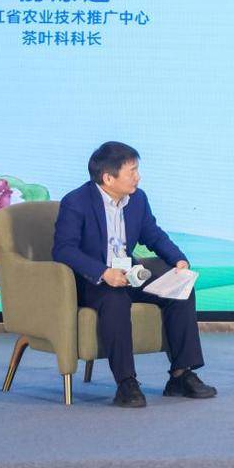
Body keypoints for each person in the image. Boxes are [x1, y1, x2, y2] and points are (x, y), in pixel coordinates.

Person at [51, 142, 216, 408]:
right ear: (108, 178)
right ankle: (126, 382)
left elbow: (153, 234)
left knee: (181, 288)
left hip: (130, 273)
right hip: (93, 280)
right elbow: (63, 249)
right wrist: (103, 272)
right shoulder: (77, 202)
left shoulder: (137, 199)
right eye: (132, 171)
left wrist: (178, 259)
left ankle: (180, 374)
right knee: (115, 299)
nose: (138, 177)